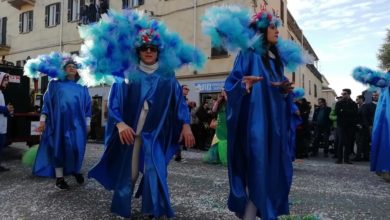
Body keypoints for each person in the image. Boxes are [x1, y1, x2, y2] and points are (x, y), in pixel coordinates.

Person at [81, 10, 204, 218]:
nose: (149, 51)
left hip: (154, 135)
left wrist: (185, 124)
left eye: (153, 48)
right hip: (130, 136)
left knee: (155, 171)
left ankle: (151, 210)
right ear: (138, 51)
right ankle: (122, 207)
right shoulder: (128, 75)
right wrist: (119, 124)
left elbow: (178, 103)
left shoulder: (167, 77)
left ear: (158, 51)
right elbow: (114, 103)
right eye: (144, 48)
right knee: (129, 173)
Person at [202, 5, 309, 220]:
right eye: (272, 27)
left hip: (273, 129)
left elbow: (274, 95)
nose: (277, 31)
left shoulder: (275, 62)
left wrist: (285, 92)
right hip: (254, 128)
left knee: (269, 174)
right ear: (261, 30)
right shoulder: (249, 55)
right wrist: (244, 85)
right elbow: (230, 85)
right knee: (256, 174)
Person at [32, 59, 92, 190]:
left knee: (76, 148)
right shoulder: (54, 84)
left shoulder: (82, 86)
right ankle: (59, 179)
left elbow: (88, 105)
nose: (72, 68)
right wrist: (42, 120)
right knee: (58, 148)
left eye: (74, 66)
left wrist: (88, 123)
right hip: (59, 124)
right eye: (68, 66)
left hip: (77, 125)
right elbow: (47, 104)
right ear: (63, 70)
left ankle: (74, 170)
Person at [203, 90, 228, 166]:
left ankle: (227, 157)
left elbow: (231, 106)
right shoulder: (220, 102)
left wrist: (226, 96)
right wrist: (218, 101)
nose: (222, 93)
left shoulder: (229, 100)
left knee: (226, 140)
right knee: (219, 140)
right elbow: (213, 110)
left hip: (227, 123)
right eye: (222, 92)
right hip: (220, 124)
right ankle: (219, 158)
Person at [335, 88, 358, 164]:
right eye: (342, 94)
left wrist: (344, 111)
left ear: (348, 94)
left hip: (350, 126)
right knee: (341, 141)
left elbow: (355, 114)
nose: (343, 95)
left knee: (348, 142)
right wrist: (347, 112)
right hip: (341, 125)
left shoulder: (353, 104)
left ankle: (347, 159)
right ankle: (339, 159)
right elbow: (338, 113)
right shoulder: (339, 103)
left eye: (344, 94)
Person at [352, 95, 375, 161]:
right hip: (363, 127)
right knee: (364, 142)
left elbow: (366, 117)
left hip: (363, 127)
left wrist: (361, 125)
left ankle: (359, 157)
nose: (356, 100)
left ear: (361, 99)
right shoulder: (360, 107)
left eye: (357, 99)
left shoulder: (365, 107)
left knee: (360, 142)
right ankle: (365, 157)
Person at [0, 72, 13, 172]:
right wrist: (6, 109)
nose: (7, 82)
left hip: (2, 126)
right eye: (5, 80)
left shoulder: (1, 93)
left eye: (7, 80)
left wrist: (9, 111)